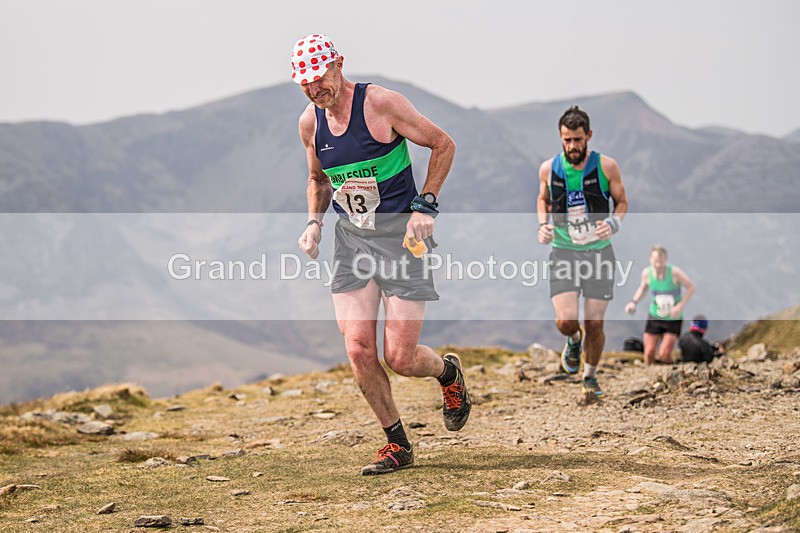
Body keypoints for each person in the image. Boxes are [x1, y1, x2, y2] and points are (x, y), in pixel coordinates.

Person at [292, 34, 470, 476]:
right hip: (352, 242)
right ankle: (397, 444)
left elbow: (443, 144)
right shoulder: (310, 124)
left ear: (338, 64)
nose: (316, 90)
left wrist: (425, 204)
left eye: (320, 79)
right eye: (306, 85)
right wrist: (314, 223)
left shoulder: (381, 104)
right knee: (358, 349)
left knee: (401, 357)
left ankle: (447, 374)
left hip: (401, 241)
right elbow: (318, 180)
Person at [537, 106, 629, 398]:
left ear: (588, 136)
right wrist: (543, 225)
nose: (572, 146)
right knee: (565, 321)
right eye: (567, 140)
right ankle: (573, 340)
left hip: (599, 252)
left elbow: (622, 202)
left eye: (577, 140)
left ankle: (589, 376)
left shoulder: (607, 167)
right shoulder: (549, 168)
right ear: (560, 138)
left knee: (595, 323)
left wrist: (614, 223)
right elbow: (542, 198)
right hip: (564, 251)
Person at [625, 245, 696, 365]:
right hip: (655, 316)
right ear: (650, 259)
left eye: (660, 261)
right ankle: (650, 378)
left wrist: (680, 305)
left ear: (665, 260)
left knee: (664, 354)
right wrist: (633, 302)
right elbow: (643, 288)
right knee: (649, 353)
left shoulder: (674, 272)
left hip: (673, 318)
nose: (658, 264)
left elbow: (691, 287)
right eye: (655, 261)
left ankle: (670, 371)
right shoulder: (647, 273)